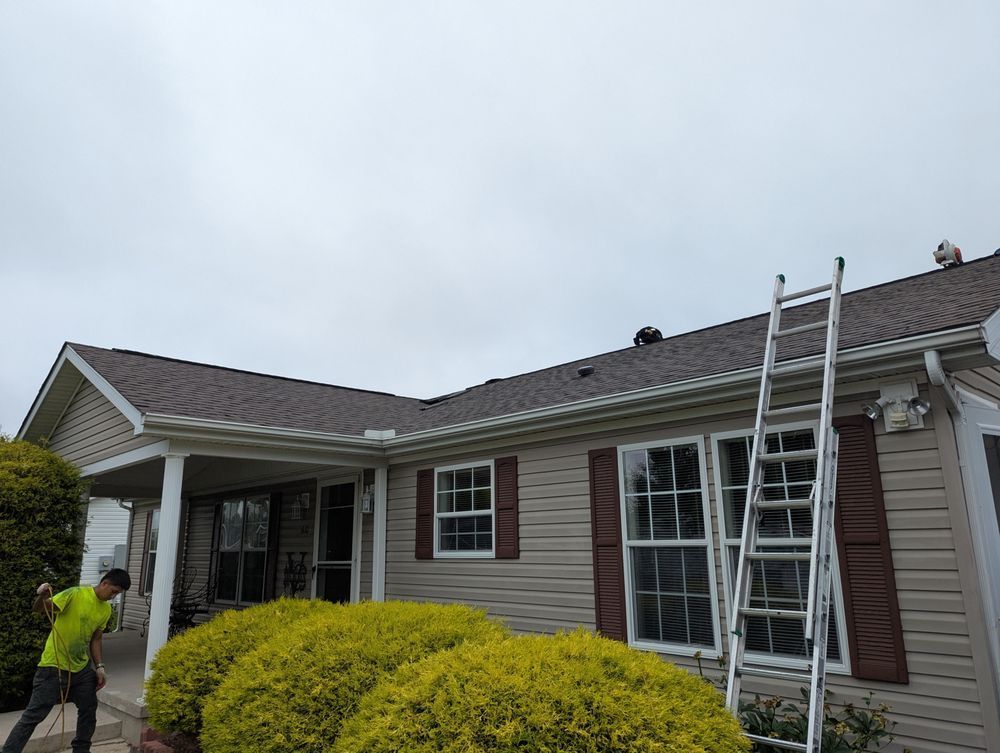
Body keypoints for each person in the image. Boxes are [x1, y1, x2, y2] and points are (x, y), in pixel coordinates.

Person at [1, 568, 131, 753]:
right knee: (34, 715)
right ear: (105, 583)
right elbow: (40, 608)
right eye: (113, 592)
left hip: (81, 668)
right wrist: (42, 596)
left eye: (117, 594)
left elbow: (96, 639)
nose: (113, 597)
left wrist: (100, 667)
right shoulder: (75, 594)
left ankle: (81, 750)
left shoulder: (106, 610)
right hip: (53, 667)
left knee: (88, 709)